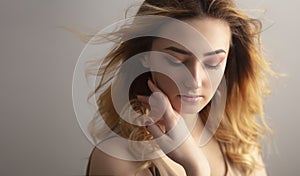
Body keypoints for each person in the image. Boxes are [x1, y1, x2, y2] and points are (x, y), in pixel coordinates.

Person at [83, 0, 274, 175]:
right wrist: (196, 168)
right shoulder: (117, 159)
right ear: (144, 56)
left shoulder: (239, 143)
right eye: (176, 61)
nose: (195, 81)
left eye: (213, 62)